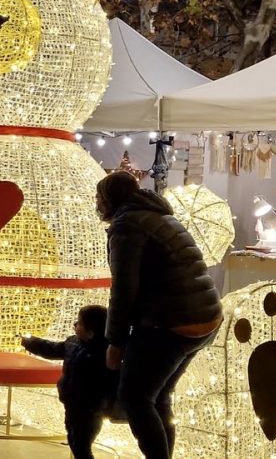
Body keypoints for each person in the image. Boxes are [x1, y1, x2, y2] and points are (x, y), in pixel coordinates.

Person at [96, 171, 222, 459]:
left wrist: (114, 342)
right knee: (158, 397)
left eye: (99, 199)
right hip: (205, 317)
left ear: (109, 198)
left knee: (134, 398)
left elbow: (124, 289)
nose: (98, 205)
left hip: (171, 323)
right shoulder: (158, 215)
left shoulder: (127, 225)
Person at [21, 305, 118, 459]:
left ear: (91, 332)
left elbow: (112, 381)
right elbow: (52, 349)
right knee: (72, 438)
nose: (75, 325)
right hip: (71, 402)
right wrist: (30, 342)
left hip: (90, 409)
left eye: (79, 323)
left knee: (81, 444)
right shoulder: (72, 342)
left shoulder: (104, 353)